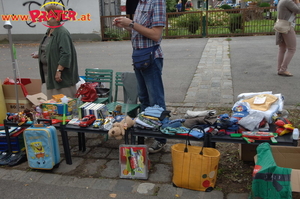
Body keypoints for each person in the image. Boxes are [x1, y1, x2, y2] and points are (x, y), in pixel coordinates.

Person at [112, 0, 167, 153]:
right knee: (144, 99)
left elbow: (156, 35)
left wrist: (131, 24)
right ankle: (146, 131)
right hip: (138, 58)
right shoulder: (140, 3)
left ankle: (161, 138)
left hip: (151, 58)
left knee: (156, 101)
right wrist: (125, 25)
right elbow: (138, 31)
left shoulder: (157, 2)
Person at [31, 5, 79, 99]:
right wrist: (40, 53)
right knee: (53, 105)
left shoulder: (62, 32)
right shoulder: (49, 30)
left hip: (61, 78)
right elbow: (50, 48)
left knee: (64, 104)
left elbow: (66, 54)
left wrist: (58, 71)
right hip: (49, 74)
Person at [276, 0, 300, 76]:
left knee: (282, 49)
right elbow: (298, 10)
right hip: (287, 27)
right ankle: (283, 69)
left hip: (280, 25)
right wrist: (297, 2)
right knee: (292, 49)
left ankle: (279, 68)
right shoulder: (288, 1)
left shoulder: (282, 1)